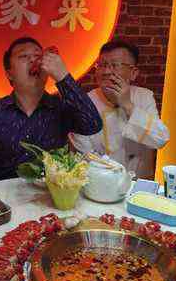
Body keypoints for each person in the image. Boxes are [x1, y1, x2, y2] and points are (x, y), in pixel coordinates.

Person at [0, 36, 102, 182]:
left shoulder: (60, 108)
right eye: (24, 56)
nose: (33, 60)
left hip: (50, 192)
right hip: (6, 193)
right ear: (9, 74)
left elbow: (92, 125)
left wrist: (63, 76)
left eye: (38, 55)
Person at [70, 39, 170, 178]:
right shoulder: (86, 103)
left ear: (133, 73)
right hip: (99, 183)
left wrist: (128, 105)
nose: (106, 71)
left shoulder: (144, 97)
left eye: (115, 65)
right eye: (102, 65)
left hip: (137, 184)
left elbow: (160, 139)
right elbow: (83, 156)